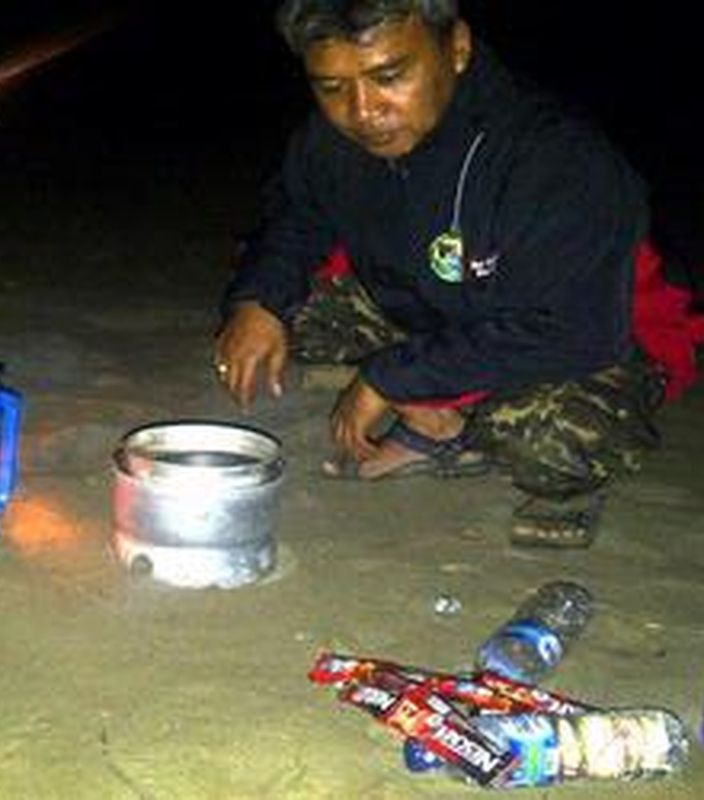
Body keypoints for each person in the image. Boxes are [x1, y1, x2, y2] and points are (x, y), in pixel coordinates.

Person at [214, 0, 674, 547]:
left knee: (547, 441)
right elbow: (298, 215)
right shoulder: (331, 139)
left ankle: (474, 423)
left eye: (389, 77)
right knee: (291, 318)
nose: (363, 112)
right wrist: (258, 300)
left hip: (584, 336)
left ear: (456, 48)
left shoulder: (555, 156)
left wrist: (393, 376)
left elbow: (575, 331)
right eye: (333, 87)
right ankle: (437, 426)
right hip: (430, 304)